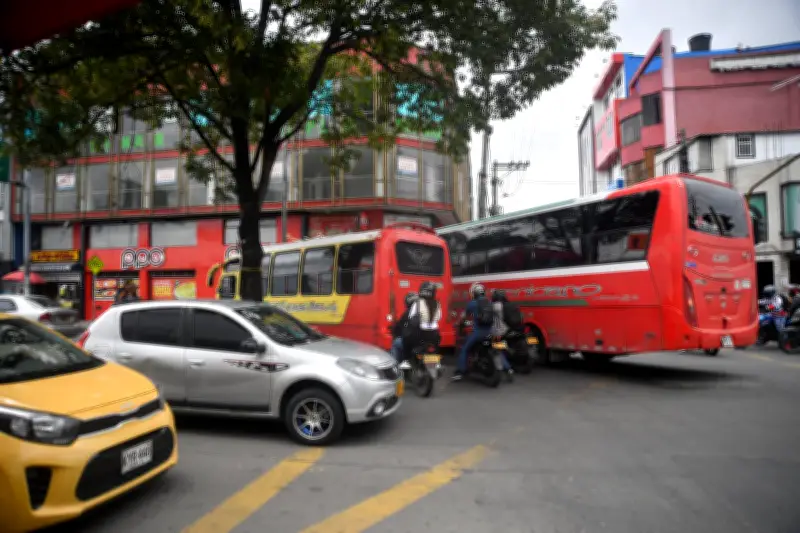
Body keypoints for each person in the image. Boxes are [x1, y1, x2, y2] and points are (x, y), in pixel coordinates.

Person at [452, 283, 495, 381]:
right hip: (490, 333)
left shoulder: (472, 303)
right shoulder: (489, 302)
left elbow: (463, 317)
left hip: (478, 333)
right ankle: (506, 368)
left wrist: (458, 323)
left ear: (474, 294)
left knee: (464, 349)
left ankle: (461, 371)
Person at [408, 281, 442, 346]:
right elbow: (439, 317)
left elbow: (410, 317)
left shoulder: (417, 303)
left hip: (421, 333)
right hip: (434, 332)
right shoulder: (437, 304)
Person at [391, 292, 418, 369]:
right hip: (428, 340)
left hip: (413, 342)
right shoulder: (426, 311)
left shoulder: (407, 313)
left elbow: (399, 327)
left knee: (396, 343)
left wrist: (395, 331)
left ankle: (395, 368)